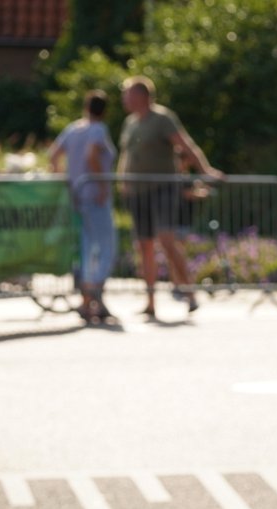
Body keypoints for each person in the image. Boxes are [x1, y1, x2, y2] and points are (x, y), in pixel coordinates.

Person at [117, 75, 222, 319]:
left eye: (128, 94)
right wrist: (122, 180)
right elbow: (126, 155)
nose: (124, 99)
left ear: (141, 96)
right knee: (144, 245)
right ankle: (151, 301)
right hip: (138, 192)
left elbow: (186, 145)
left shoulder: (162, 118)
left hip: (162, 188)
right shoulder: (130, 123)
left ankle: (189, 292)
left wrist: (205, 171)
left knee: (166, 239)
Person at [50, 90, 118, 324]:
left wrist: (63, 183)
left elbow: (53, 155)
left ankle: (88, 300)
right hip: (94, 195)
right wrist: (101, 186)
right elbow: (92, 155)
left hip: (76, 195)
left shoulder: (72, 129)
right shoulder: (98, 129)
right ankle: (94, 296)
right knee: (105, 246)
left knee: (86, 247)